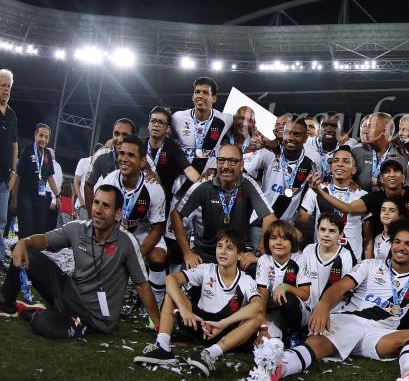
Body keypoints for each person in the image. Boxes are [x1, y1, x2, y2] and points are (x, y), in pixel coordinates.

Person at [268, 219, 409, 381]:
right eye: (397, 242)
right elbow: (340, 287)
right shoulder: (369, 265)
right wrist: (324, 305)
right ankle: (277, 367)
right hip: (349, 321)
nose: (400, 248)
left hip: (379, 335)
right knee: (318, 345)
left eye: (408, 244)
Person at [1, 185, 159, 338]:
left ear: (117, 214)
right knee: (24, 250)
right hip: (68, 291)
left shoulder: (126, 242)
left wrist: (160, 328)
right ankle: (6, 304)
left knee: (42, 323)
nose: (98, 210)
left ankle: (31, 312)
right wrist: (24, 242)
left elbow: (142, 285)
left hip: (92, 316)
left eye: (106, 206)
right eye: (96, 203)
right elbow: (44, 240)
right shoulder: (78, 228)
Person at [134, 229, 263, 376]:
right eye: (219, 246)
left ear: (240, 255)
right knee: (173, 292)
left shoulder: (246, 280)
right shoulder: (206, 269)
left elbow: (258, 306)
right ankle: (162, 346)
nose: (222, 252)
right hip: (199, 323)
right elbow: (170, 279)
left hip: (225, 331)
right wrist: (185, 310)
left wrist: (223, 323)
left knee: (257, 318)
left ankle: (209, 354)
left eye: (229, 248)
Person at [171, 144, 276, 266]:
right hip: (207, 254)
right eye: (221, 160)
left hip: (239, 255)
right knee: (184, 277)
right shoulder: (204, 184)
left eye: (232, 161)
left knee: (257, 272)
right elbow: (175, 214)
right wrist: (187, 253)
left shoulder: (248, 183)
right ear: (216, 162)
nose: (226, 166)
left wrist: (258, 252)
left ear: (241, 165)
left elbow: (270, 218)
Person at [95, 135, 169, 306]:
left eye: (130, 155)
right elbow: (101, 219)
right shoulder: (110, 181)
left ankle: (154, 306)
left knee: (158, 257)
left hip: (144, 233)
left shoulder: (154, 188)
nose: (124, 159)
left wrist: (137, 254)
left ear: (143, 161)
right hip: (116, 232)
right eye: (122, 154)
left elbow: (157, 228)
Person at [298, 147, 367, 257]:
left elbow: (368, 238)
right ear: (330, 167)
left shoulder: (362, 195)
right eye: (335, 161)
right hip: (321, 258)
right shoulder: (316, 190)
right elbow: (301, 223)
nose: (339, 164)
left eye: (345, 161)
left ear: (354, 169)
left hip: (351, 260)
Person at [254, 220, 305, 342]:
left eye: (284, 238)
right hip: (272, 310)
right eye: (274, 238)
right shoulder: (264, 260)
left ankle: (296, 332)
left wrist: (285, 286)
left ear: (292, 242)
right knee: (267, 342)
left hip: (297, 310)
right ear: (267, 241)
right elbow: (263, 296)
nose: (278, 242)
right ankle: (282, 334)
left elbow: (305, 293)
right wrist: (263, 328)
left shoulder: (300, 259)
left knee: (287, 299)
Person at [12, 123, 61, 238]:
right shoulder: (27, 151)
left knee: (38, 229)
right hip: (25, 195)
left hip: (40, 197)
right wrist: (14, 198)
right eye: (41, 135)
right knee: (26, 227)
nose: (43, 139)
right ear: (35, 136)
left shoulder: (48, 154)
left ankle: (32, 254)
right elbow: (18, 176)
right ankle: (22, 253)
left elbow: (50, 177)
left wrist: (58, 196)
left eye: (46, 137)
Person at [352, 113, 409, 191]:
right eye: (365, 126)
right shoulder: (355, 152)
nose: (365, 131)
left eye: (370, 126)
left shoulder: (403, 159)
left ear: (384, 131)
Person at [0, 69, 18, 263]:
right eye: (2, 85)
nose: (6, 89)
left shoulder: (12, 114)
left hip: (4, 178)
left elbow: (14, 145)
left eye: (9, 86)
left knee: (2, 221)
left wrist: (14, 171)